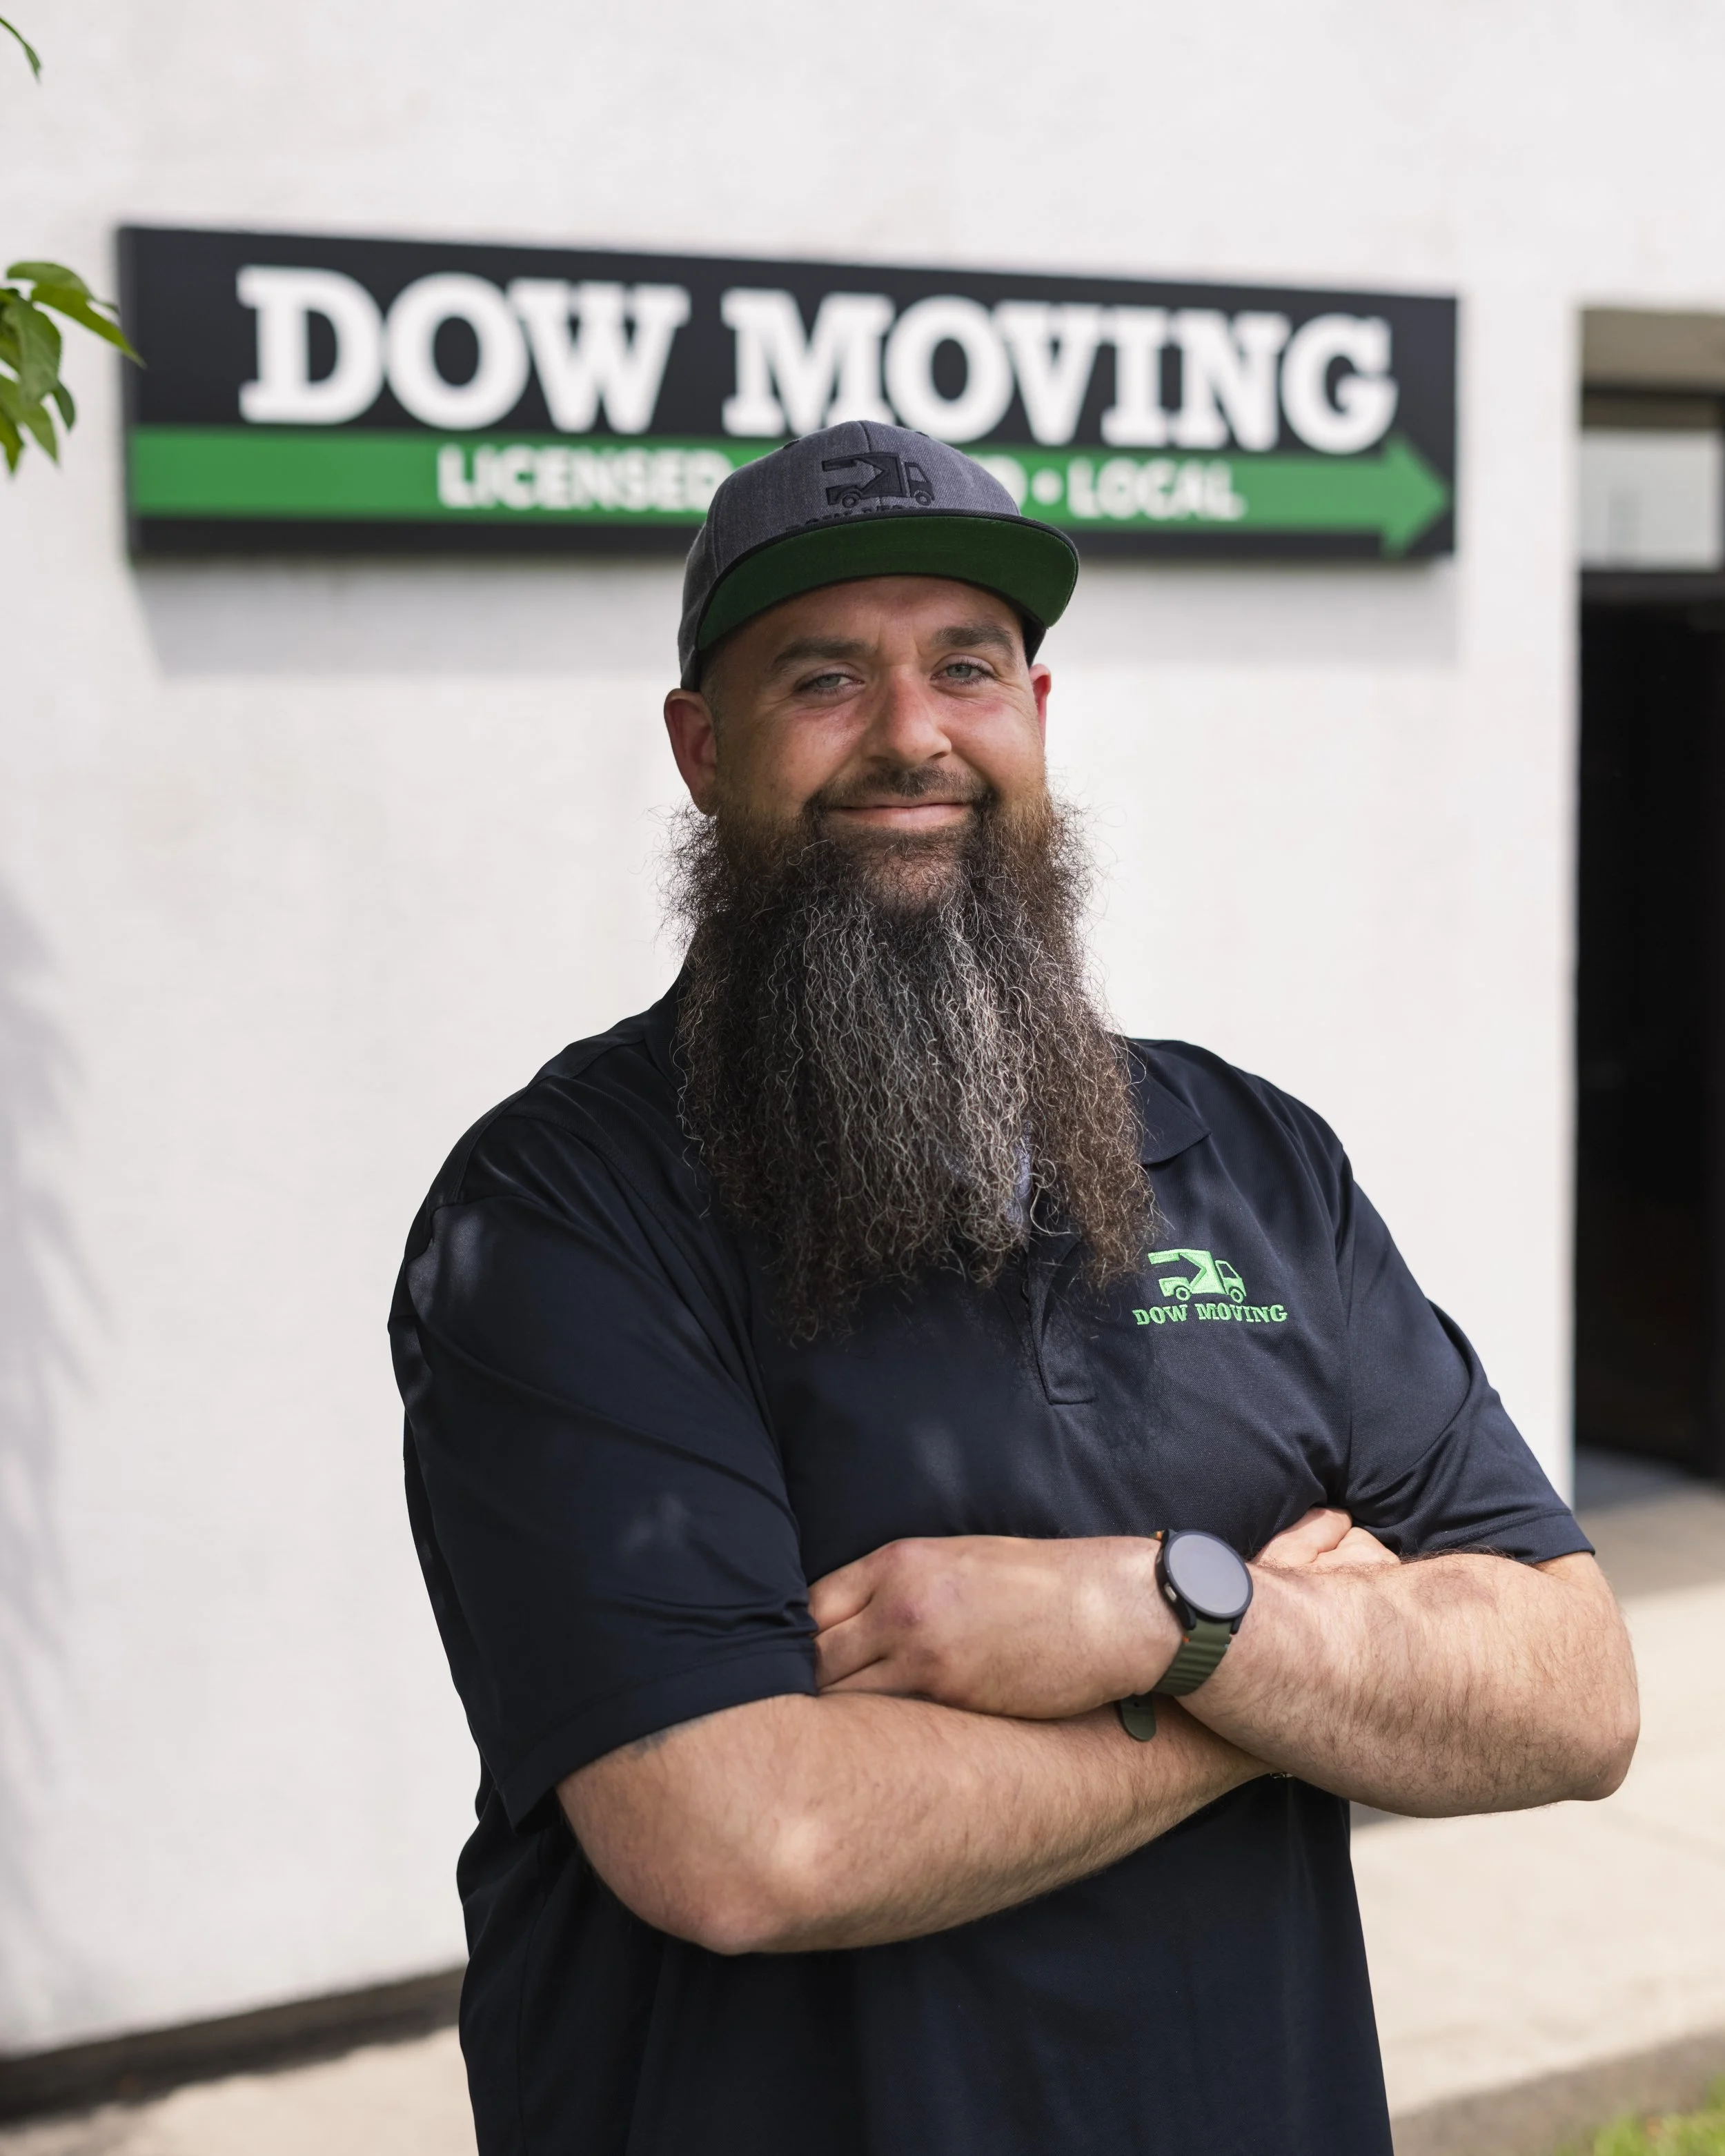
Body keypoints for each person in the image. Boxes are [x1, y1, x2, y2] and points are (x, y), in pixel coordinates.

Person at [390, 422, 1638, 2156]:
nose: (911, 732)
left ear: (1034, 712)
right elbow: (744, 1837)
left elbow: (1572, 1687)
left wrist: (1152, 1613)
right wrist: (1249, 1690)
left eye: (965, 666)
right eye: (824, 675)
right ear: (700, 747)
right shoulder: (562, 1209)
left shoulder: (1251, 1160)